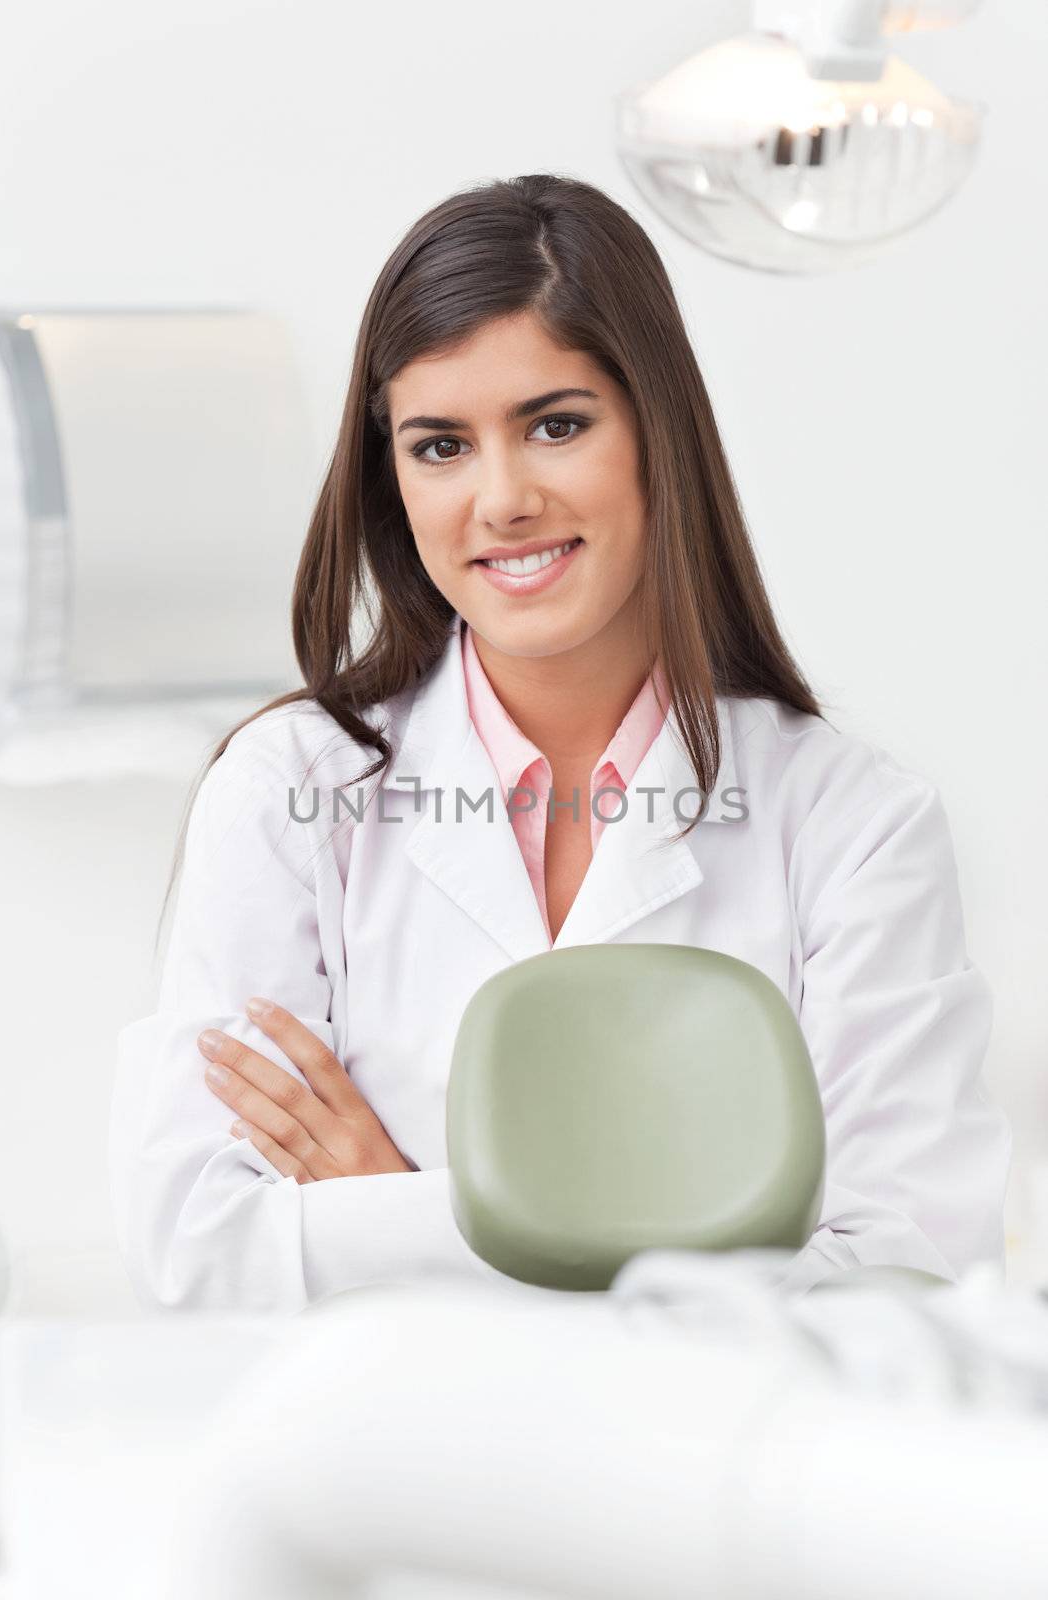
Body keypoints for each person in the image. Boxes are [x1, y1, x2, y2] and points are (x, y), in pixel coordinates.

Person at [108, 172, 1011, 1314]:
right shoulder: (294, 788)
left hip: (700, 1484)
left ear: (657, 433)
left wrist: (392, 1197)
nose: (502, 498)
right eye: (439, 446)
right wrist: (659, 1227)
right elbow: (196, 1244)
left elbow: (904, 1270)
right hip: (384, 1473)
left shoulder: (849, 822)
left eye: (555, 424)